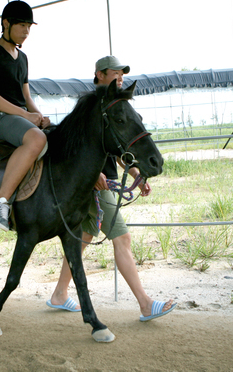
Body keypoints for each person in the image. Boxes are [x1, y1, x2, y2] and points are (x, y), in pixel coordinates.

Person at [47, 56, 176, 322]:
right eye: (115, 74)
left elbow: (119, 147)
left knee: (82, 240)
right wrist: (94, 174)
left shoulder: (113, 104)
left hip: (102, 179)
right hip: (93, 184)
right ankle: (145, 303)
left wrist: (136, 173)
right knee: (122, 238)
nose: (121, 78)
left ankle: (59, 294)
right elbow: (75, 148)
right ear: (100, 75)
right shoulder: (89, 106)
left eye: (123, 75)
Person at [0, 0, 50, 231]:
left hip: (20, 117)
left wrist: (38, 115)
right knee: (37, 139)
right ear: (6, 23)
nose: (26, 32)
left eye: (29, 26)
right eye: (22, 26)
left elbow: (26, 96)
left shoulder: (23, 58)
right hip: (0, 118)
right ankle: (0, 202)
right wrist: (25, 116)